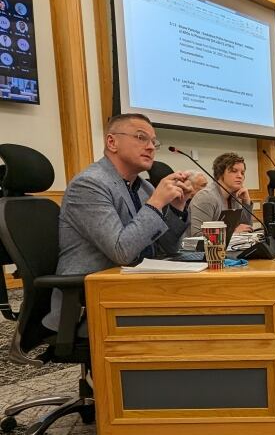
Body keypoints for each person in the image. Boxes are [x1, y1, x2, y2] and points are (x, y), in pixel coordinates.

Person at [43, 113, 194, 333]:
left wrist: (178, 208)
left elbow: (167, 248)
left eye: (154, 141)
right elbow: (121, 251)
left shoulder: (144, 188)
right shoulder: (89, 185)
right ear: (112, 142)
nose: (151, 147)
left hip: (133, 289)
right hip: (90, 302)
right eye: (141, 138)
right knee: (188, 320)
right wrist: (155, 204)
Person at [188, 152, 253, 236]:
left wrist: (246, 202)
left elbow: (245, 228)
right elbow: (198, 236)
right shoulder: (206, 197)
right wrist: (233, 232)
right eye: (234, 171)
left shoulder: (234, 196)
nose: (240, 176)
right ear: (220, 173)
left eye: (242, 173)